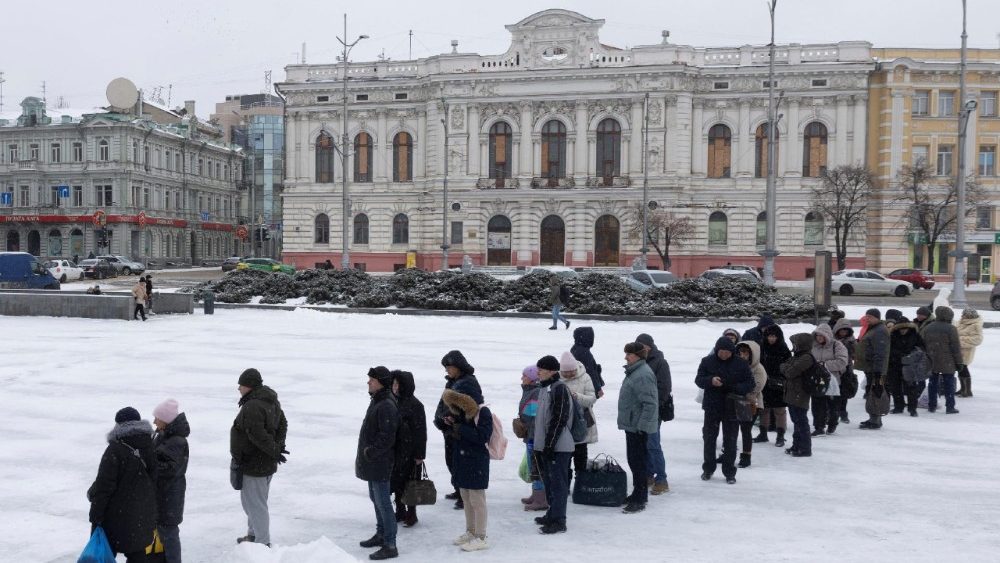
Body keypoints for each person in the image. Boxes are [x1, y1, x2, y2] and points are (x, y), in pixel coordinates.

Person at [87, 407, 157, 563]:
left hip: (116, 516)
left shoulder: (115, 450)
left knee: (104, 553)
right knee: (137, 553)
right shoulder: (149, 445)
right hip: (142, 513)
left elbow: (104, 487)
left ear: (119, 424)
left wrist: (96, 516)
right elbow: (153, 478)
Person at [230, 368, 288, 547]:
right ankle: (253, 535)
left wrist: (275, 450)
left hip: (255, 465)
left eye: (241, 385)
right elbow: (282, 424)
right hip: (265, 463)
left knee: (255, 506)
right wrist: (277, 448)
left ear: (249, 386)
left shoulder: (253, 405)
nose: (239, 388)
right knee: (254, 503)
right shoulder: (270, 400)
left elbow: (257, 435)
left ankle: (263, 543)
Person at [442, 387, 493, 551]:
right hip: (463, 460)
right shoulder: (461, 414)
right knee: (466, 498)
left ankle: (481, 536)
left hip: (477, 461)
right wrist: (452, 424)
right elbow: (461, 435)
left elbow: (482, 436)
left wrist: (460, 428)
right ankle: (471, 532)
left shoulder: (483, 413)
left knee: (477, 500)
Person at [696, 337, 753, 482]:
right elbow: (699, 379)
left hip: (732, 407)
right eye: (721, 352)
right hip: (712, 406)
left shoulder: (740, 363)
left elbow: (750, 383)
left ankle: (729, 472)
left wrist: (735, 388)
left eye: (727, 352)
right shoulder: (707, 361)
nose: (724, 355)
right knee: (709, 438)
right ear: (716, 350)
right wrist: (710, 381)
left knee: (730, 440)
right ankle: (708, 469)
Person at [357, 366, 400, 560]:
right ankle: (381, 534)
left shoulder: (386, 405)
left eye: (371, 380)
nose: (368, 382)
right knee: (376, 500)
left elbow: (387, 437)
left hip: (380, 462)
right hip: (373, 462)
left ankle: (390, 544)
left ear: (381, 382)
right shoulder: (378, 400)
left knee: (383, 503)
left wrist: (371, 452)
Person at [433, 350, 482, 510]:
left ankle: (464, 495)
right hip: (450, 430)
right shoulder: (453, 381)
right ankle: (458, 489)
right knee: (452, 461)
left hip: (460, 431)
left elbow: (469, 407)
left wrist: (452, 420)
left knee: (460, 463)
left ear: (458, 366)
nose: (446, 370)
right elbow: (445, 403)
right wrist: (440, 419)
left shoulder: (467, 382)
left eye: (449, 366)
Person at [533, 355, 575, 531]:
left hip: (559, 446)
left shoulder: (559, 389)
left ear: (551, 371)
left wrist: (549, 444)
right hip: (546, 445)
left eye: (541, 370)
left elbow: (559, 418)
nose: (538, 373)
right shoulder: (545, 388)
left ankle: (559, 521)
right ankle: (552, 514)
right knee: (549, 483)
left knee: (558, 485)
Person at [618, 343, 659, 510]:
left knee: (638, 462)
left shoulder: (642, 374)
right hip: (632, 425)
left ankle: (640, 498)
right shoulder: (635, 371)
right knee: (634, 461)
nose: (626, 357)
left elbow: (650, 404)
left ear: (639, 356)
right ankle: (637, 493)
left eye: (629, 354)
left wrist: (642, 427)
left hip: (638, 427)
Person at [152, 399, 190, 563]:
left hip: (170, 496)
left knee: (169, 534)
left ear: (166, 420)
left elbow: (171, 469)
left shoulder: (177, 441)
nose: (154, 421)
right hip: (164, 495)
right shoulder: (163, 435)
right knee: (164, 533)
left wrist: (149, 464)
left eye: (157, 418)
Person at [635, 333, 671, 494]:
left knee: (653, 444)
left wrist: (653, 404)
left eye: (640, 346)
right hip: (638, 409)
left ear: (648, 346)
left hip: (653, 410)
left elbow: (664, 388)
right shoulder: (638, 361)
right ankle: (649, 474)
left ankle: (661, 479)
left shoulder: (660, 363)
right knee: (643, 444)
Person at [390, 370, 426, 528]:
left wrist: (419, 455)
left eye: (397, 383)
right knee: (397, 482)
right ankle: (400, 510)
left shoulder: (416, 405)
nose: (395, 386)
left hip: (410, 452)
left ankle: (411, 513)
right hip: (396, 451)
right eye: (394, 383)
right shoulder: (393, 401)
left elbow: (420, 432)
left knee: (410, 483)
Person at [559, 352, 597, 484]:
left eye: (572, 371)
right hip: (564, 423)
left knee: (581, 455)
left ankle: (581, 483)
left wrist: (577, 397)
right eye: (566, 372)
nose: (569, 374)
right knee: (565, 457)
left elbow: (592, 398)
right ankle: (565, 484)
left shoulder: (585, 377)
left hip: (581, 422)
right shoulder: (557, 380)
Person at [922, 306, 964, 415]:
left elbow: (923, 344)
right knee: (948, 384)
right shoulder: (951, 329)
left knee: (932, 383)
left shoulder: (928, 327)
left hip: (931, 360)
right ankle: (950, 407)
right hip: (947, 360)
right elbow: (956, 347)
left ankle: (932, 405)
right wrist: (959, 362)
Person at [781, 334, 817, 457]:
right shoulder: (798, 356)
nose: (793, 346)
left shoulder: (806, 357)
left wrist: (785, 367)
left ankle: (805, 448)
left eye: (795, 344)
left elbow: (789, 372)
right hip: (793, 392)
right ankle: (797, 445)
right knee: (796, 421)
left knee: (801, 421)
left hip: (800, 393)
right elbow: (785, 366)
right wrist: (785, 367)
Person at [809, 324, 848, 436]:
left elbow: (842, 362)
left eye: (822, 335)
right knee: (817, 404)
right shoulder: (812, 346)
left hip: (833, 380)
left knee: (832, 405)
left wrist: (824, 365)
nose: (819, 338)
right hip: (816, 379)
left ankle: (832, 424)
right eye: (817, 335)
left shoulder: (837, 345)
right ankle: (819, 427)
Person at [518, 366, 547, 511]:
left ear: (533, 378)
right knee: (533, 466)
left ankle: (541, 499)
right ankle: (536, 495)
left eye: (524, 375)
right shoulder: (530, 390)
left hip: (534, 436)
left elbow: (535, 417)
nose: (522, 378)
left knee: (536, 466)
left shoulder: (535, 392)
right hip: (530, 434)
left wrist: (525, 426)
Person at [756, 324, 791, 447]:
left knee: (779, 410)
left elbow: (788, 367)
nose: (771, 339)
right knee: (763, 409)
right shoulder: (761, 347)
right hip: (764, 382)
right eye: (770, 336)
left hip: (778, 384)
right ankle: (763, 433)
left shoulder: (783, 349)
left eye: (774, 336)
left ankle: (780, 435)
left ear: (778, 337)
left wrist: (780, 376)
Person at [735, 341, 767, 468]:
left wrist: (739, 389)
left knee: (745, 430)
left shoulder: (758, 369)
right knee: (731, 429)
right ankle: (727, 452)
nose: (743, 355)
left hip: (751, 403)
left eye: (746, 352)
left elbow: (756, 388)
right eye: (741, 352)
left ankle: (746, 456)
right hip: (736, 400)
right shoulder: (736, 365)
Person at [857, 309, 890, 429]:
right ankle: (874, 418)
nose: (867, 319)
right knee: (873, 392)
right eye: (866, 317)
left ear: (877, 317)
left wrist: (877, 372)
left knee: (876, 393)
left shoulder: (880, 331)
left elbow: (880, 353)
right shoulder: (873, 329)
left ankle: (875, 420)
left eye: (870, 317)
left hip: (877, 369)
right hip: (871, 367)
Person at [887, 317, 924, 415]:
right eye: (901, 329)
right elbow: (889, 349)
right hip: (895, 364)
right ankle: (898, 407)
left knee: (911, 387)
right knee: (896, 387)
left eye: (905, 329)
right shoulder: (893, 335)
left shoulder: (915, 335)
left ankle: (912, 409)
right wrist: (900, 355)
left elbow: (921, 348)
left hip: (910, 365)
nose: (903, 331)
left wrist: (911, 355)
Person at [832, 318, 858, 424]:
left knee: (844, 392)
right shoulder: (832, 339)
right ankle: (833, 412)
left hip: (846, 369)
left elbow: (856, 353)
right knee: (833, 391)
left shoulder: (851, 340)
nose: (844, 332)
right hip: (835, 368)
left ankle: (843, 412)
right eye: (842, 330)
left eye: (846, 330)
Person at [955, 308, 983, 397]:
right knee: (960, 369)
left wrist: (960, 341)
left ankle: (967, 391)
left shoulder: (975, 325)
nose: (962, 316)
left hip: (966, 351)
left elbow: (978, 339)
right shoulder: (961, 322)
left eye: (964, 314)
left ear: (969, 316)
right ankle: (963, 389)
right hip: (957, 350)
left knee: (963, 368)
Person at [571, 326, 605, 398]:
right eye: (591, 337)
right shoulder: (584, 352)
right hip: (584, 388)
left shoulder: (576, 348)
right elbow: (589, 372)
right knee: (585, 406)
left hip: (579, 386)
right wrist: (597, 388)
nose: (592, 339)